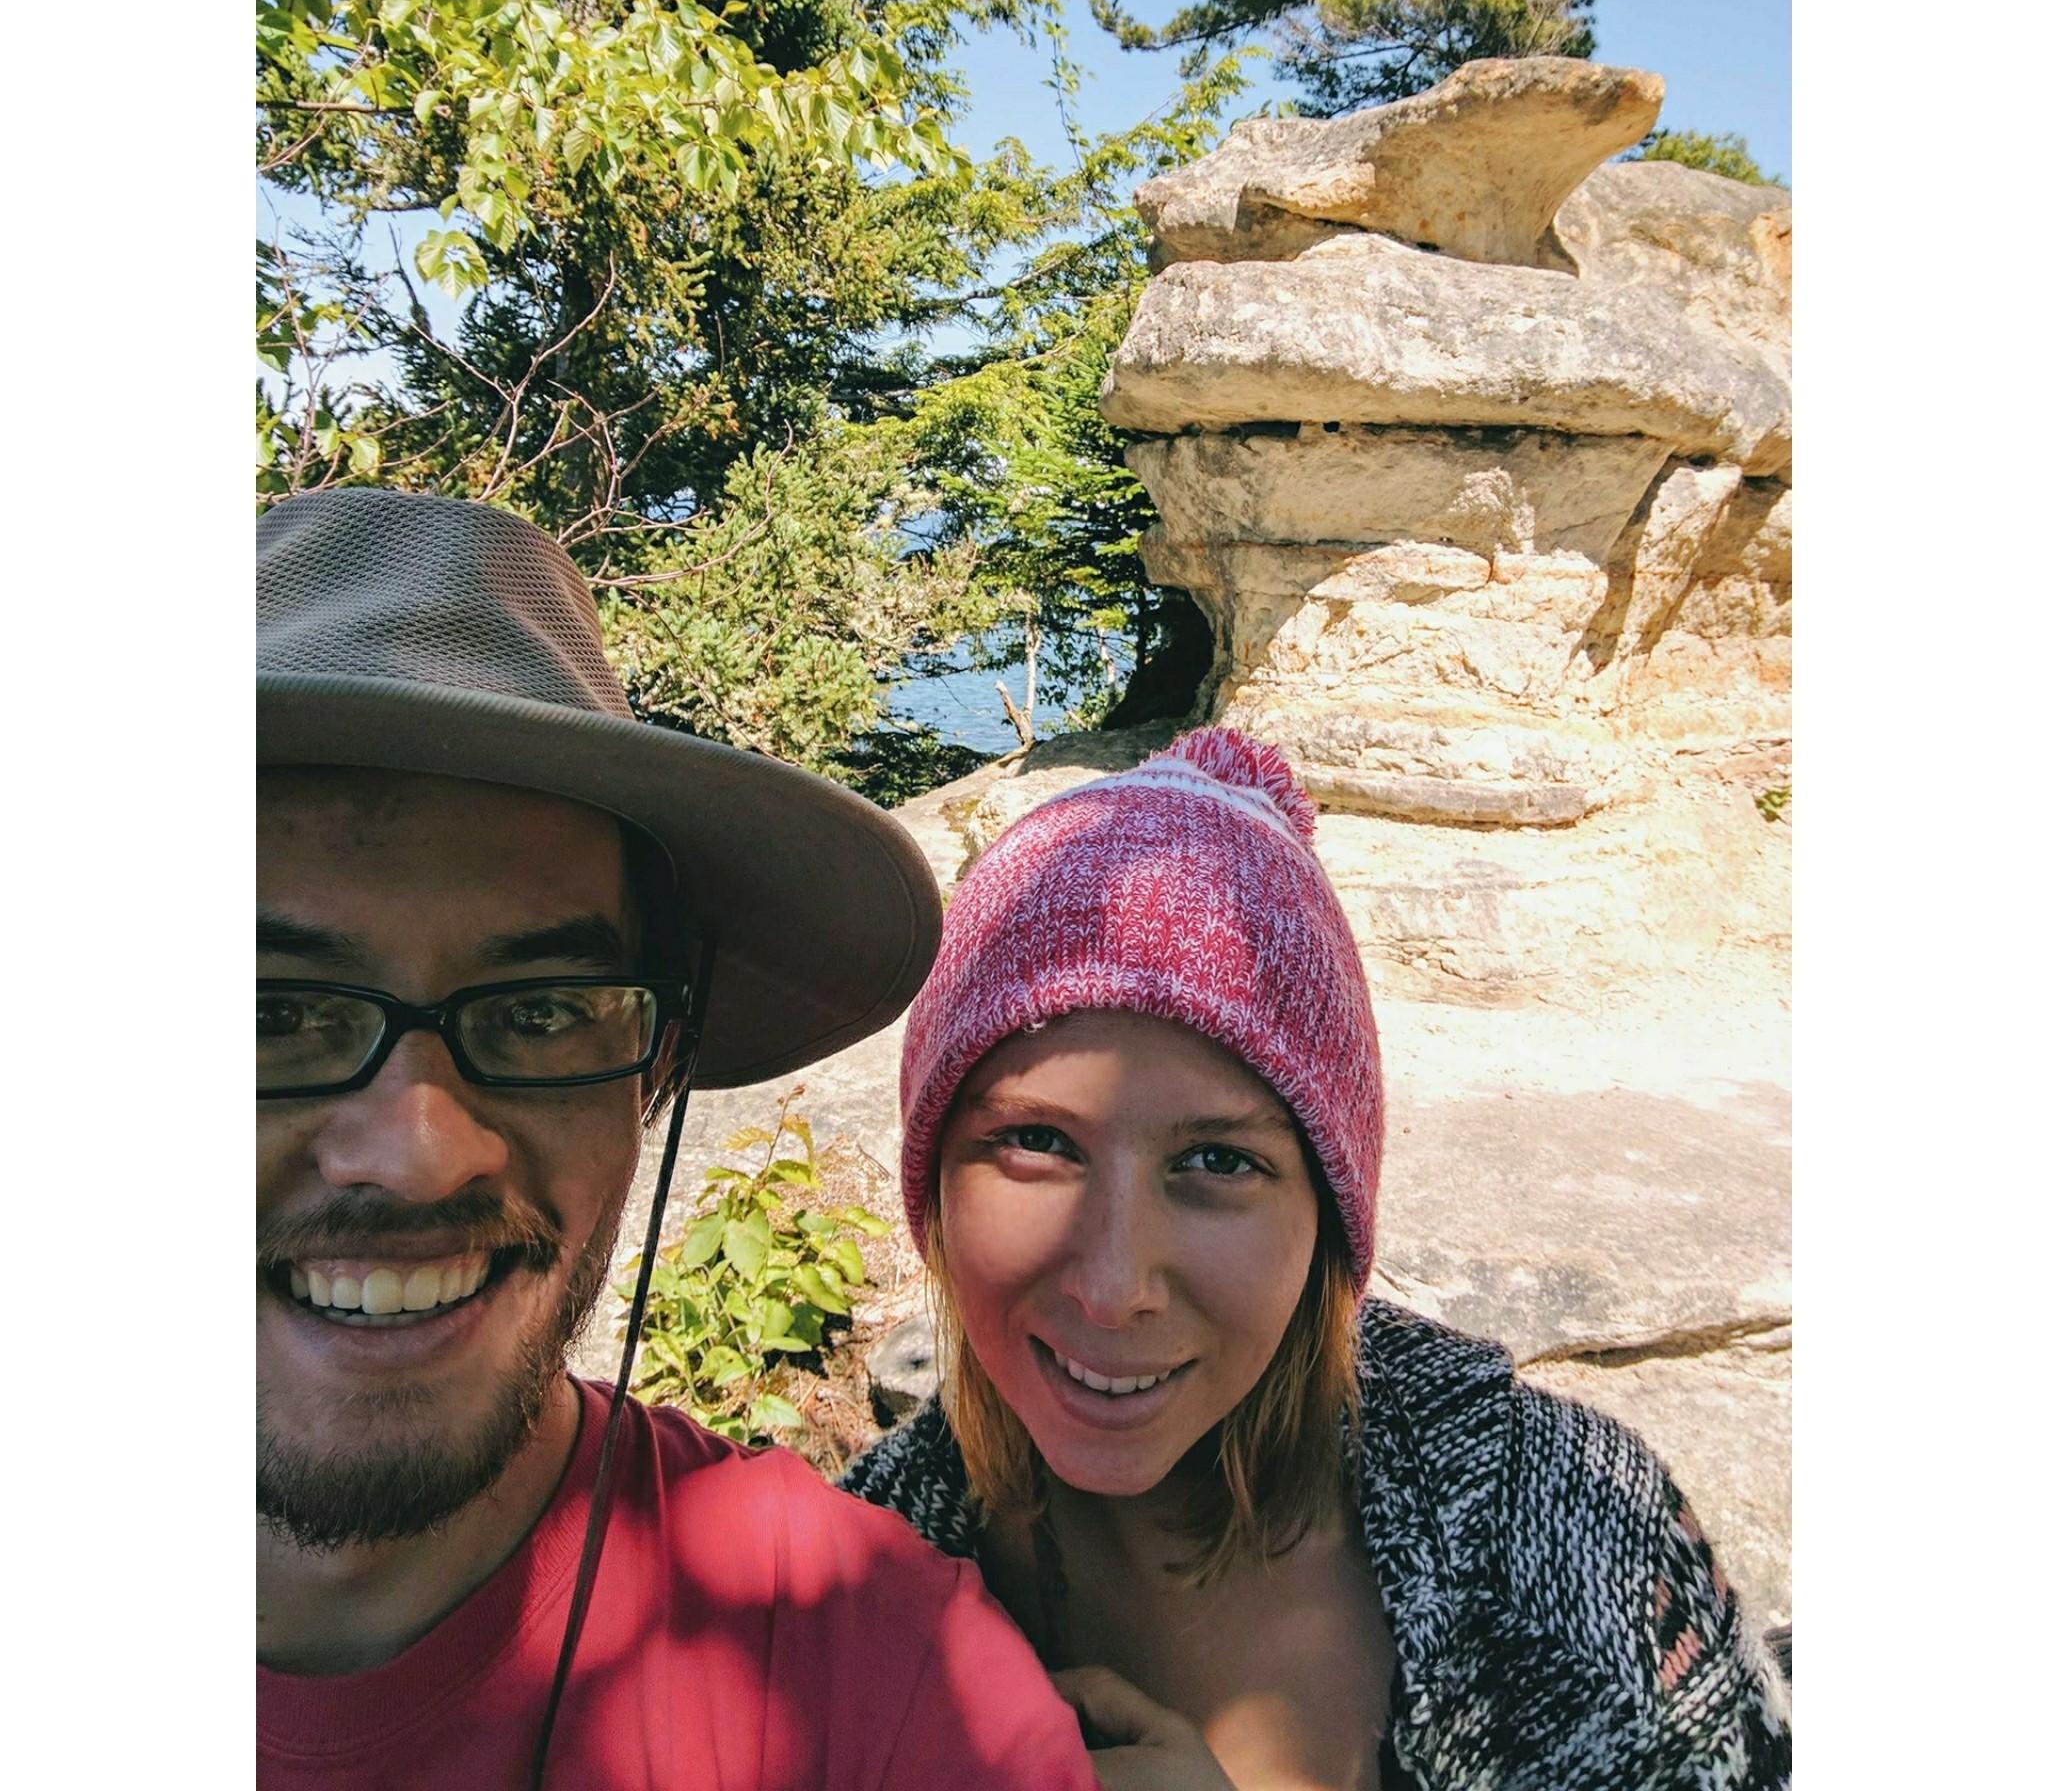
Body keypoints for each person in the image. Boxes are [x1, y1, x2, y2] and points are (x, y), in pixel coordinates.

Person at [256, 488, 1101, 1791]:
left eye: (540, 1013)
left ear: (659, 1068)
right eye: (274, 1014)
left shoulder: (872, 1683)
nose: (418, 1149)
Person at [842, 727, 1793, 1791]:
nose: (1113, 1287)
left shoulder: (1569, 1528)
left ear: (1329, 1215)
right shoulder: (840, 1595)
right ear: (932, 1182)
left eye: (1216, 1159)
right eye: (1035, 1141)